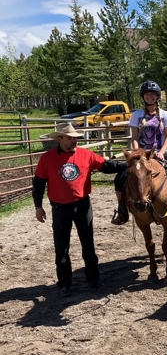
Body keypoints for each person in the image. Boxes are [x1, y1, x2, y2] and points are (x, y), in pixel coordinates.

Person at [33, 123, 127, 295]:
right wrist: (38, 207)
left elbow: (106, 166)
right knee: (61, 246)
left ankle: (93, 278)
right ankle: (64, 283)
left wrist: (128, 165)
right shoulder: (47, 158)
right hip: (60, 208)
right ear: (59, 139)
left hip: (82, 205)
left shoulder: (86, 155)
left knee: (88, 243)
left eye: (75, 137)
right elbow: (38, 184)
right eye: (70, 138)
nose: (74, 140)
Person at [112, 80, 167, 225]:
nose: (150, 97)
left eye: (152, 94)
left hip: (161, 151)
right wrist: (136, 152)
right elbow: (134, 137)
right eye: (147, 94)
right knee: (119, 178)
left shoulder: (165, 115)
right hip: (141, 154)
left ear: (157, 96)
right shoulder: (137, 115)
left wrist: (161, 151)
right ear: (143, 96)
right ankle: (122, 209)